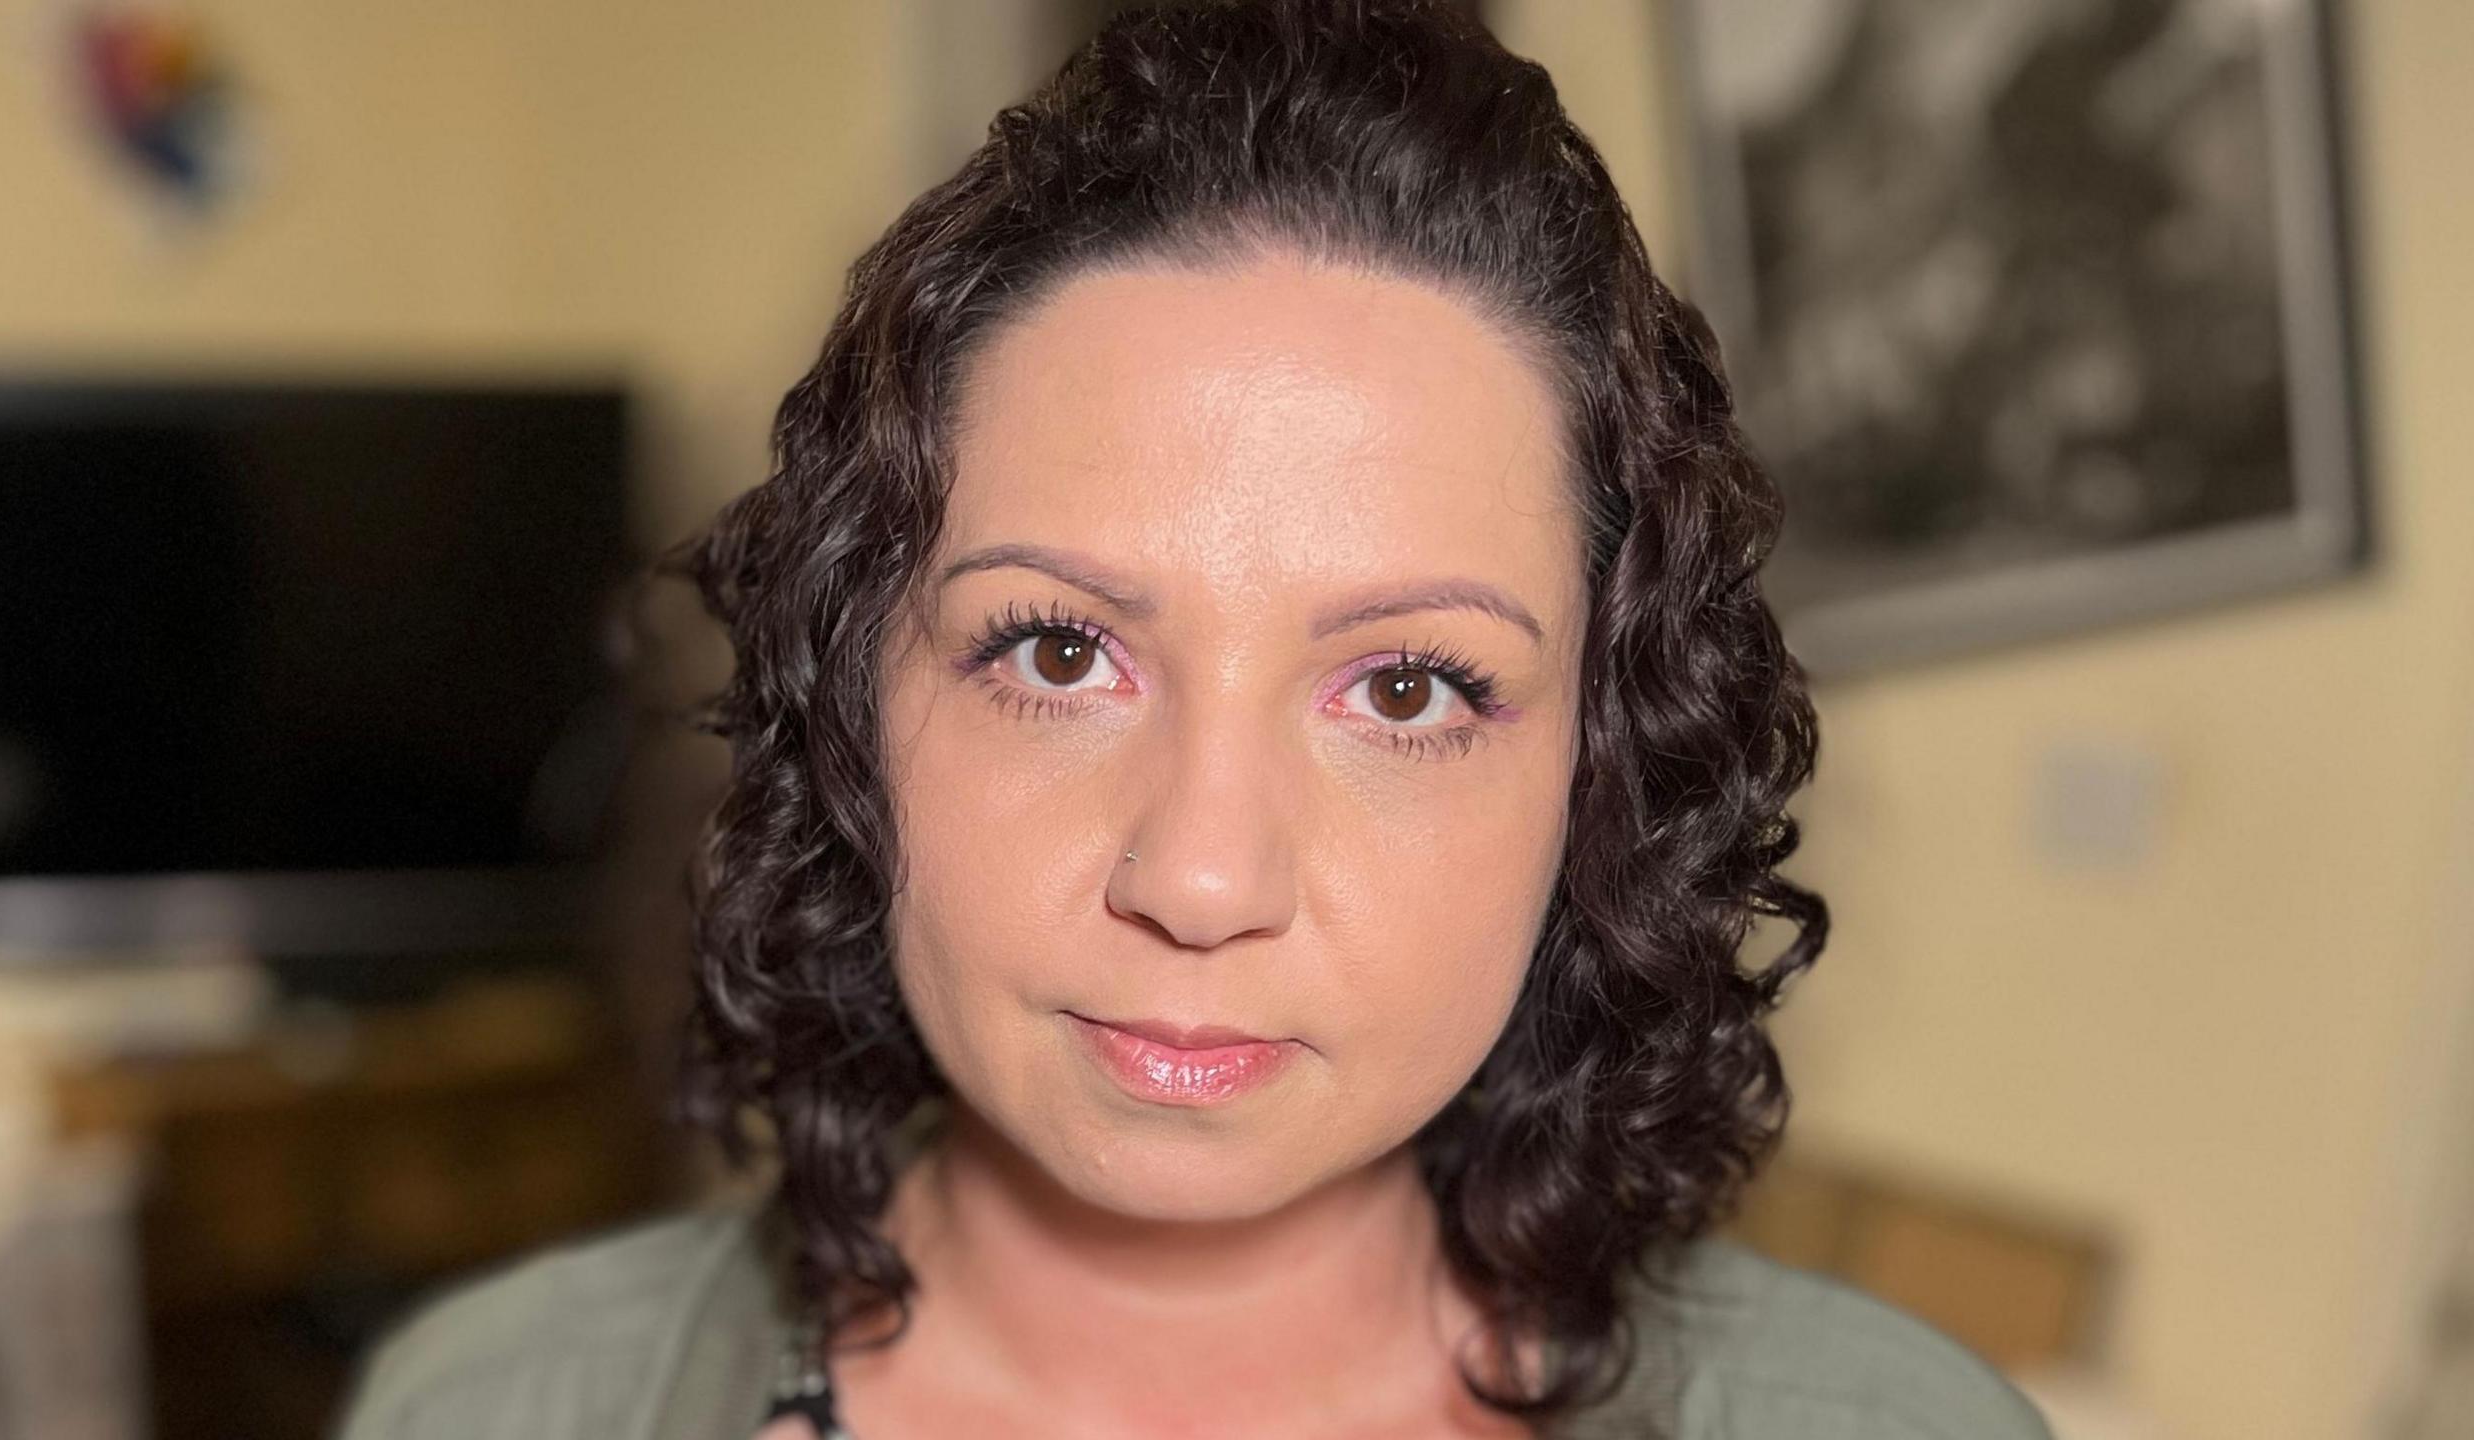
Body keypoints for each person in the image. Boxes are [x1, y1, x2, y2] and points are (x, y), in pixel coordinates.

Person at [333, 2, 2054, 1436]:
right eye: (1062, 653)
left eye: (1404, 687)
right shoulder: (491, 1406)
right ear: (849, 698)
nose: (1203, 877)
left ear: (1599, 776)